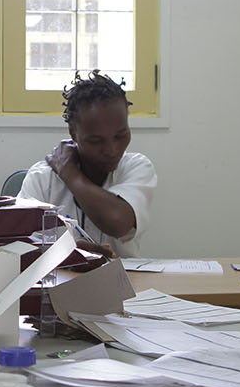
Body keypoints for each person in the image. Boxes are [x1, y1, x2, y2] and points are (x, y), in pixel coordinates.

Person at [17, 70, 156, 257]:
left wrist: (69, 173)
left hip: (124, 274)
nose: (111, 150)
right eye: (96, 141)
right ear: (73, 133)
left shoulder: (136, 167)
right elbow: (20, 247)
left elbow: (117, 222)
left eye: (120, 135)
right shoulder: (42, 179)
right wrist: (65, 253)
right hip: (60, 275)